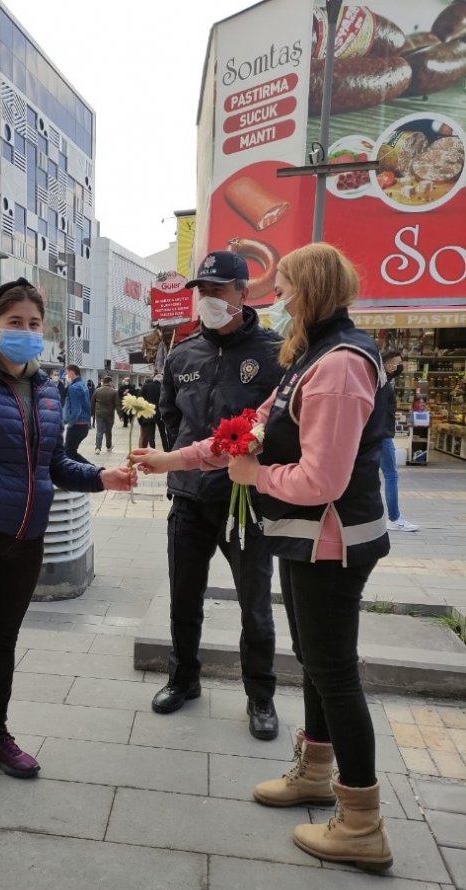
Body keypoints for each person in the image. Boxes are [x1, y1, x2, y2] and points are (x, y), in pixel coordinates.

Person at [132, 243, 393, 870]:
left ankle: (360, 822)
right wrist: (171, 459)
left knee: (334, 673)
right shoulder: (311, 359)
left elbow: (321, 481)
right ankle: (314, 772)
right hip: (306, 539)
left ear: (314, 291)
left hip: (331, 538)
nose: (282, 298)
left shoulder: (337, 366)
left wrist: (255, 477)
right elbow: (241, 435)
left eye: (289, 287)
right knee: (315, 661)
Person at [0, 278, 135, 810]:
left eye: (34, 324)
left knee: (3, 641)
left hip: (26, 538)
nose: (25, 332)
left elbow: (51, 463)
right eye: (14, 322)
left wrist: (99, 477)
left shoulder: (46, 387)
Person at [131, 250, 282, 739]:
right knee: (184, 596)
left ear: (243, 292)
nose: (209, 299)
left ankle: (260, 694)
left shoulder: (275, 352)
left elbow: (280, 427)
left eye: (219, 289)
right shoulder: (182, 354)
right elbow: (172, 418)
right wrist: (180, 465)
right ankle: (183, 678)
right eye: (203, 290)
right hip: (190, 498)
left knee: (255, 603)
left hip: (245, 504)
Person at [380, 350, 418, 532]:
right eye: (397, 362)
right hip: (381, 436)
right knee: (391, 475)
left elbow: (396, 371)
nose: (399, 366)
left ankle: (389, 517)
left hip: (377, 435)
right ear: (388, 365)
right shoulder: (383, 384)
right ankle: (394, 518)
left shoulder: (381, 379)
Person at [63, 363, 91, 464]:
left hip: (77, 425)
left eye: (66, 373)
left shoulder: (74, 387)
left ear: (71, 372)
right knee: (71, 452)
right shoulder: (83, 385)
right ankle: (92, 471)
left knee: (68, 452)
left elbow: (76, 409)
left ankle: (93, 471)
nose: (66, 376)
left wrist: (69, 423)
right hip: (84, 424)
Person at [91, 375, 118, 454]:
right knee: (108, 431)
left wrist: (92, 413)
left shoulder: (97, 390)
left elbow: (92, 402)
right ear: (110, 382)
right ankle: (108, 447)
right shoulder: (114, 391)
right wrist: (121, 415)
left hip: (99, 413)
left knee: (99, 431)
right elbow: (117, 404)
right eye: (112, 381)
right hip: (109, 414)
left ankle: (98, 448)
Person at [138, 372, 164, 449]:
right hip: (161, 414)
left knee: (151, 435)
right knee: (163, 435)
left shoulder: (146, 387)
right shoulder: (163, 387)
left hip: (149, 413)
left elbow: (140, 399)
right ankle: (167, 450)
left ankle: (152, 449)